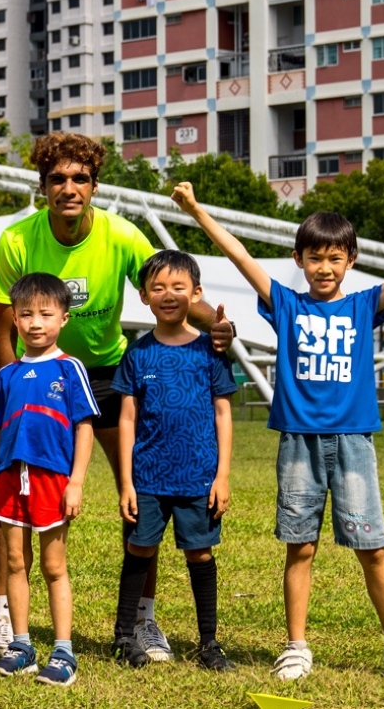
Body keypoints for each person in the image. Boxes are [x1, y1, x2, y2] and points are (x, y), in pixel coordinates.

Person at [172, 180, 384, 679]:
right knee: (299, 546)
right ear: (298, 259)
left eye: (335, 258)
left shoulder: (363, 305)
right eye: (315, 257)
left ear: (351, 260)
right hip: (298, 443)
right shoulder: (286, 304)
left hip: (353, 442)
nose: (325, 268)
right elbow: (238, 254)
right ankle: (297, 646)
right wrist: (195, 209)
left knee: (373, 548)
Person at [0, 132, 233, 659]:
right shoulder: (16, 241)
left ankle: (143, 620)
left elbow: (170, 288)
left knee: (140, 496)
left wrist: (217, 324)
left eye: (80, 178)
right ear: (43, 186)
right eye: (58, 179)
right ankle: (8, 615)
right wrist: (15, 396)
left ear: (95, 185)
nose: (69, 188)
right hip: (41, 378)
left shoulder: (123, 236)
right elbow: (4, 329)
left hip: (107, 374)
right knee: (17, 496)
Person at [110, 250, 238, 672]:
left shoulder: (210, 351)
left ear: (196, 294)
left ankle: (209, 643)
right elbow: (126, 418)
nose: (168, 295)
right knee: (140, 547)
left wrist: (221, 476)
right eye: (158, 287)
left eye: (179, 287)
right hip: (147, 476)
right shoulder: (137, 353)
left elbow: (223, 413)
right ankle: (124, 636)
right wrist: (127, 481)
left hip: (199, 476)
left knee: (199, 554)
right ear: (144, 296)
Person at [0, 273, 97, 687]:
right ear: (13, 319)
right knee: (16, 562)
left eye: (45, 314)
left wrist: (77, 482)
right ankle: (21, 644)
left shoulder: (70, 369)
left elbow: (84, 428)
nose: (36, 323)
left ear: (63, 319)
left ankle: (64, 651)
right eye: (26, 314)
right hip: (11, 481)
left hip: (52, 480)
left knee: (53, 566)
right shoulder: (9, 374)